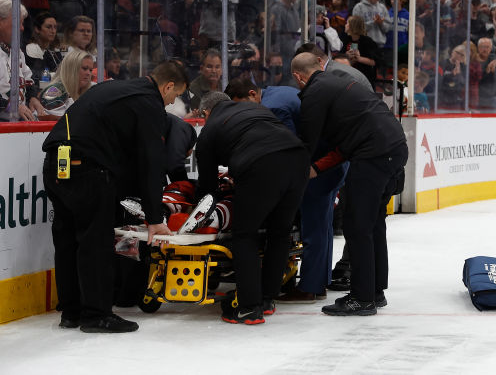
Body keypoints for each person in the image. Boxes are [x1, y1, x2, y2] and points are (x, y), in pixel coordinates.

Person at [41, 59, 187, 332]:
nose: (170, 103)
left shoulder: (113, 90)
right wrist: (155, 218)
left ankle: (71, 312)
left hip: (56, 162)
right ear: (167, 86)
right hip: (87, 169)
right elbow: (151, 162)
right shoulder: (148, 103)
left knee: (68, 239)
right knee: (95, 241)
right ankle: (96, 315)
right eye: (175, 95)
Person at [291, 52, 408, 316]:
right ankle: (375, 291)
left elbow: (306, 145)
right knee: (374, 221)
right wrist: (317, 168)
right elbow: (346, 142)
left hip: (373, 155)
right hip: (394, 147)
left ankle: (362, 298)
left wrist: (294, 172)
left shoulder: (313, 93)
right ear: (321, 65)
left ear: (299, 78)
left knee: (356, 225)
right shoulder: (340, 83)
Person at [193, 91, 307, 324]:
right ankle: (266, 299)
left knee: (244, 234)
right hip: (298, 161)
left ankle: (249, 307)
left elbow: (207, 187)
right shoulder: (256, 109)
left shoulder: (210, 128)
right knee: (279, 233)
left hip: (261, 165)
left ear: (206, 112)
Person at [0, 0, 47, 120]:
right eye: (18, 23)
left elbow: (27, 79)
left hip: (16, 124)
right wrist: (10, 106)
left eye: (22, 23)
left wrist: (32, 98)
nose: (21, 28)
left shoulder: (17, 52)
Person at [37, 48, 95, 118]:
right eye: (84, 68)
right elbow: (55, 123)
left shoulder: (89, 92)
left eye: (90, 70)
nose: (88, 73)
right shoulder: (55, 90)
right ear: (71, 68)